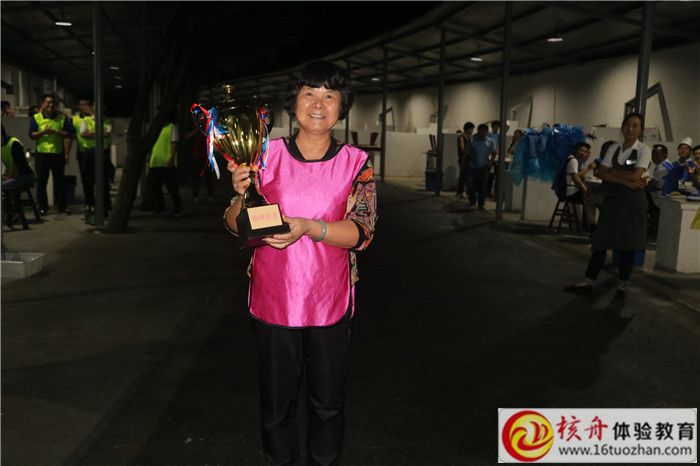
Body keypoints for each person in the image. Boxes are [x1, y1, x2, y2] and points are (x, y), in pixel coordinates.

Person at [224, 61, 377, 466]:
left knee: (327, 403)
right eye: (309, 93)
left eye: (329, 95)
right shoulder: (265, 155)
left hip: (330, 301)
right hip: (274, 299)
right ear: (293, 102)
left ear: (342, 106)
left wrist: (310, 227)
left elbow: (362, 231)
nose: (318, 103)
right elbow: (235, 223)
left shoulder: (356, 162)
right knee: (276, 404)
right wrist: (241, 193)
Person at [564, 113, 651, 299]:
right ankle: (588, 281)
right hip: (613, 199)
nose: (630, 129)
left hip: (633, 202)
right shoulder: (614, 148)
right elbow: (601, 173)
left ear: (641, 129)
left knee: (628, 243)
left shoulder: (643, 150)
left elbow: (636, 176)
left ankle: (622, 284)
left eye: (635, 126)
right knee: (601, 241)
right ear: (622, 127)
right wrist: (625, 181)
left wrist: (612, 171)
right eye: (627, 125)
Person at [28, 94, 72, 215]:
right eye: (47, 102)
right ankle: (43, 207)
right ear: (43, 104)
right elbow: (31, 134)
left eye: (52, 102)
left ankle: (62, 207)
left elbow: (68, 133)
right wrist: (43, 132)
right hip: (42, 155)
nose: (50, 105)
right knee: (42, 182)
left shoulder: (62, 118)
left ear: (55, 104)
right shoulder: (36, 117)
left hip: (57, 154)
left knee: (60, 182)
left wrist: (56, 132)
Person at [148, 106, 182, 217]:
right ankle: (160, 207)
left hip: (167, 162)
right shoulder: (155, 129)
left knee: (171, 187)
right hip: (155, 161)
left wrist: (171, 158)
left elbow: (174, 143)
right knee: (155, 186)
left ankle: (178, 209)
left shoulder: (172, 127)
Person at [80, 101, 113, 213]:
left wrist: (91, 132)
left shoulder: (108, 121)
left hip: (102, 152)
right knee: (88, 180)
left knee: (103, 180)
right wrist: (100, 133)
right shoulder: (86, 120)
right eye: (95, 105)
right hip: (89, 153)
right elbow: (83, 134)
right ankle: (90, 204)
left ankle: (105, 205)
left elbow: (107, 134)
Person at [580, 140, 614, 234]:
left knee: (589, 199)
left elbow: (604, 185)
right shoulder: (601, 161)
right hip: (610, 195)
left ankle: (591, 225)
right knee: (590, 196)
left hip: (609, 197)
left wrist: (591, 191)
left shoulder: (608, 165)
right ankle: (592, 226)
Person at [67, 97, 92, 206]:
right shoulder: (75, 119)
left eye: (86, 104)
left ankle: (104, 202)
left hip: (97, 152)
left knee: (99, 178)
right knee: (85, 179)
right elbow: (71, 137)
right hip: (82, 153)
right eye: (81, 105)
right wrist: (67, 153)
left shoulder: (95, 118)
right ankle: (89, 202)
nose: (83, 107)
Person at [645, 144, 673, 239]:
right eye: (653, 154)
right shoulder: (669, 164)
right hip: (666, 196)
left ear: (665, 154)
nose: (654, 156)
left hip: (659, 197)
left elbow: (652, 184)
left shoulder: (661, 167)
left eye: (657, 154)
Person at [466, 123, 496, 209]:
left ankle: (481, 203)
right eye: (481, 131)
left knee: (482, 185)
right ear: (478, 131)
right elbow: (466, 151)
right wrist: (463, 164)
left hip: (483, 166)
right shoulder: (472, 140)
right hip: (472, 166)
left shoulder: (489, 141)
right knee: (470, 184)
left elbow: (494, 152)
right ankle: (472, 200)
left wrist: (491, 162)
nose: (482, 133)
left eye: (484, 131)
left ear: (487, 132)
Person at [186, 122, 214, 203]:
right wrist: (197, 130)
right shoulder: (191, 125)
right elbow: (187, 136)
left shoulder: (206, 124)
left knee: (208, 176)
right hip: (195, 154)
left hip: (206, 154)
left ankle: (210, 196)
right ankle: (195, 196)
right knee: (195, 177)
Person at [2, 124, 36, 189]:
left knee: (3, 185)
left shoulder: (14, 143)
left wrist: (8, 177)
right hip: (12, 175)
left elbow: (16, 163)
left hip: (26, 175)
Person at [456, 121, 474, 198]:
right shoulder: (461, 137)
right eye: (472, 129)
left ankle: (462, 191)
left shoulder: (469, 138)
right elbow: (462, 149)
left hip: (468, 158)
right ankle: (461, 191)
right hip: (463, 158)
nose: (472, 131)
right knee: (463, 175)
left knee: (466, 175)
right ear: (468, 129)